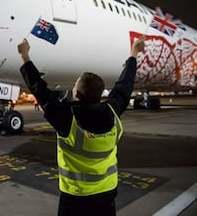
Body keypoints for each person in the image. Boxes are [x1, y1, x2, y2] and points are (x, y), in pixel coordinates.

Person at [17, 37, 145, 216]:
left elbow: (39, 88)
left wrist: (25, 55)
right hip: (106, 195)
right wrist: (134, 54)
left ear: (76, 93)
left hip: (75, 198)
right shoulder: (112, 111)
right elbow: (125, 86)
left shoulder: (68, 118)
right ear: (100, 94)